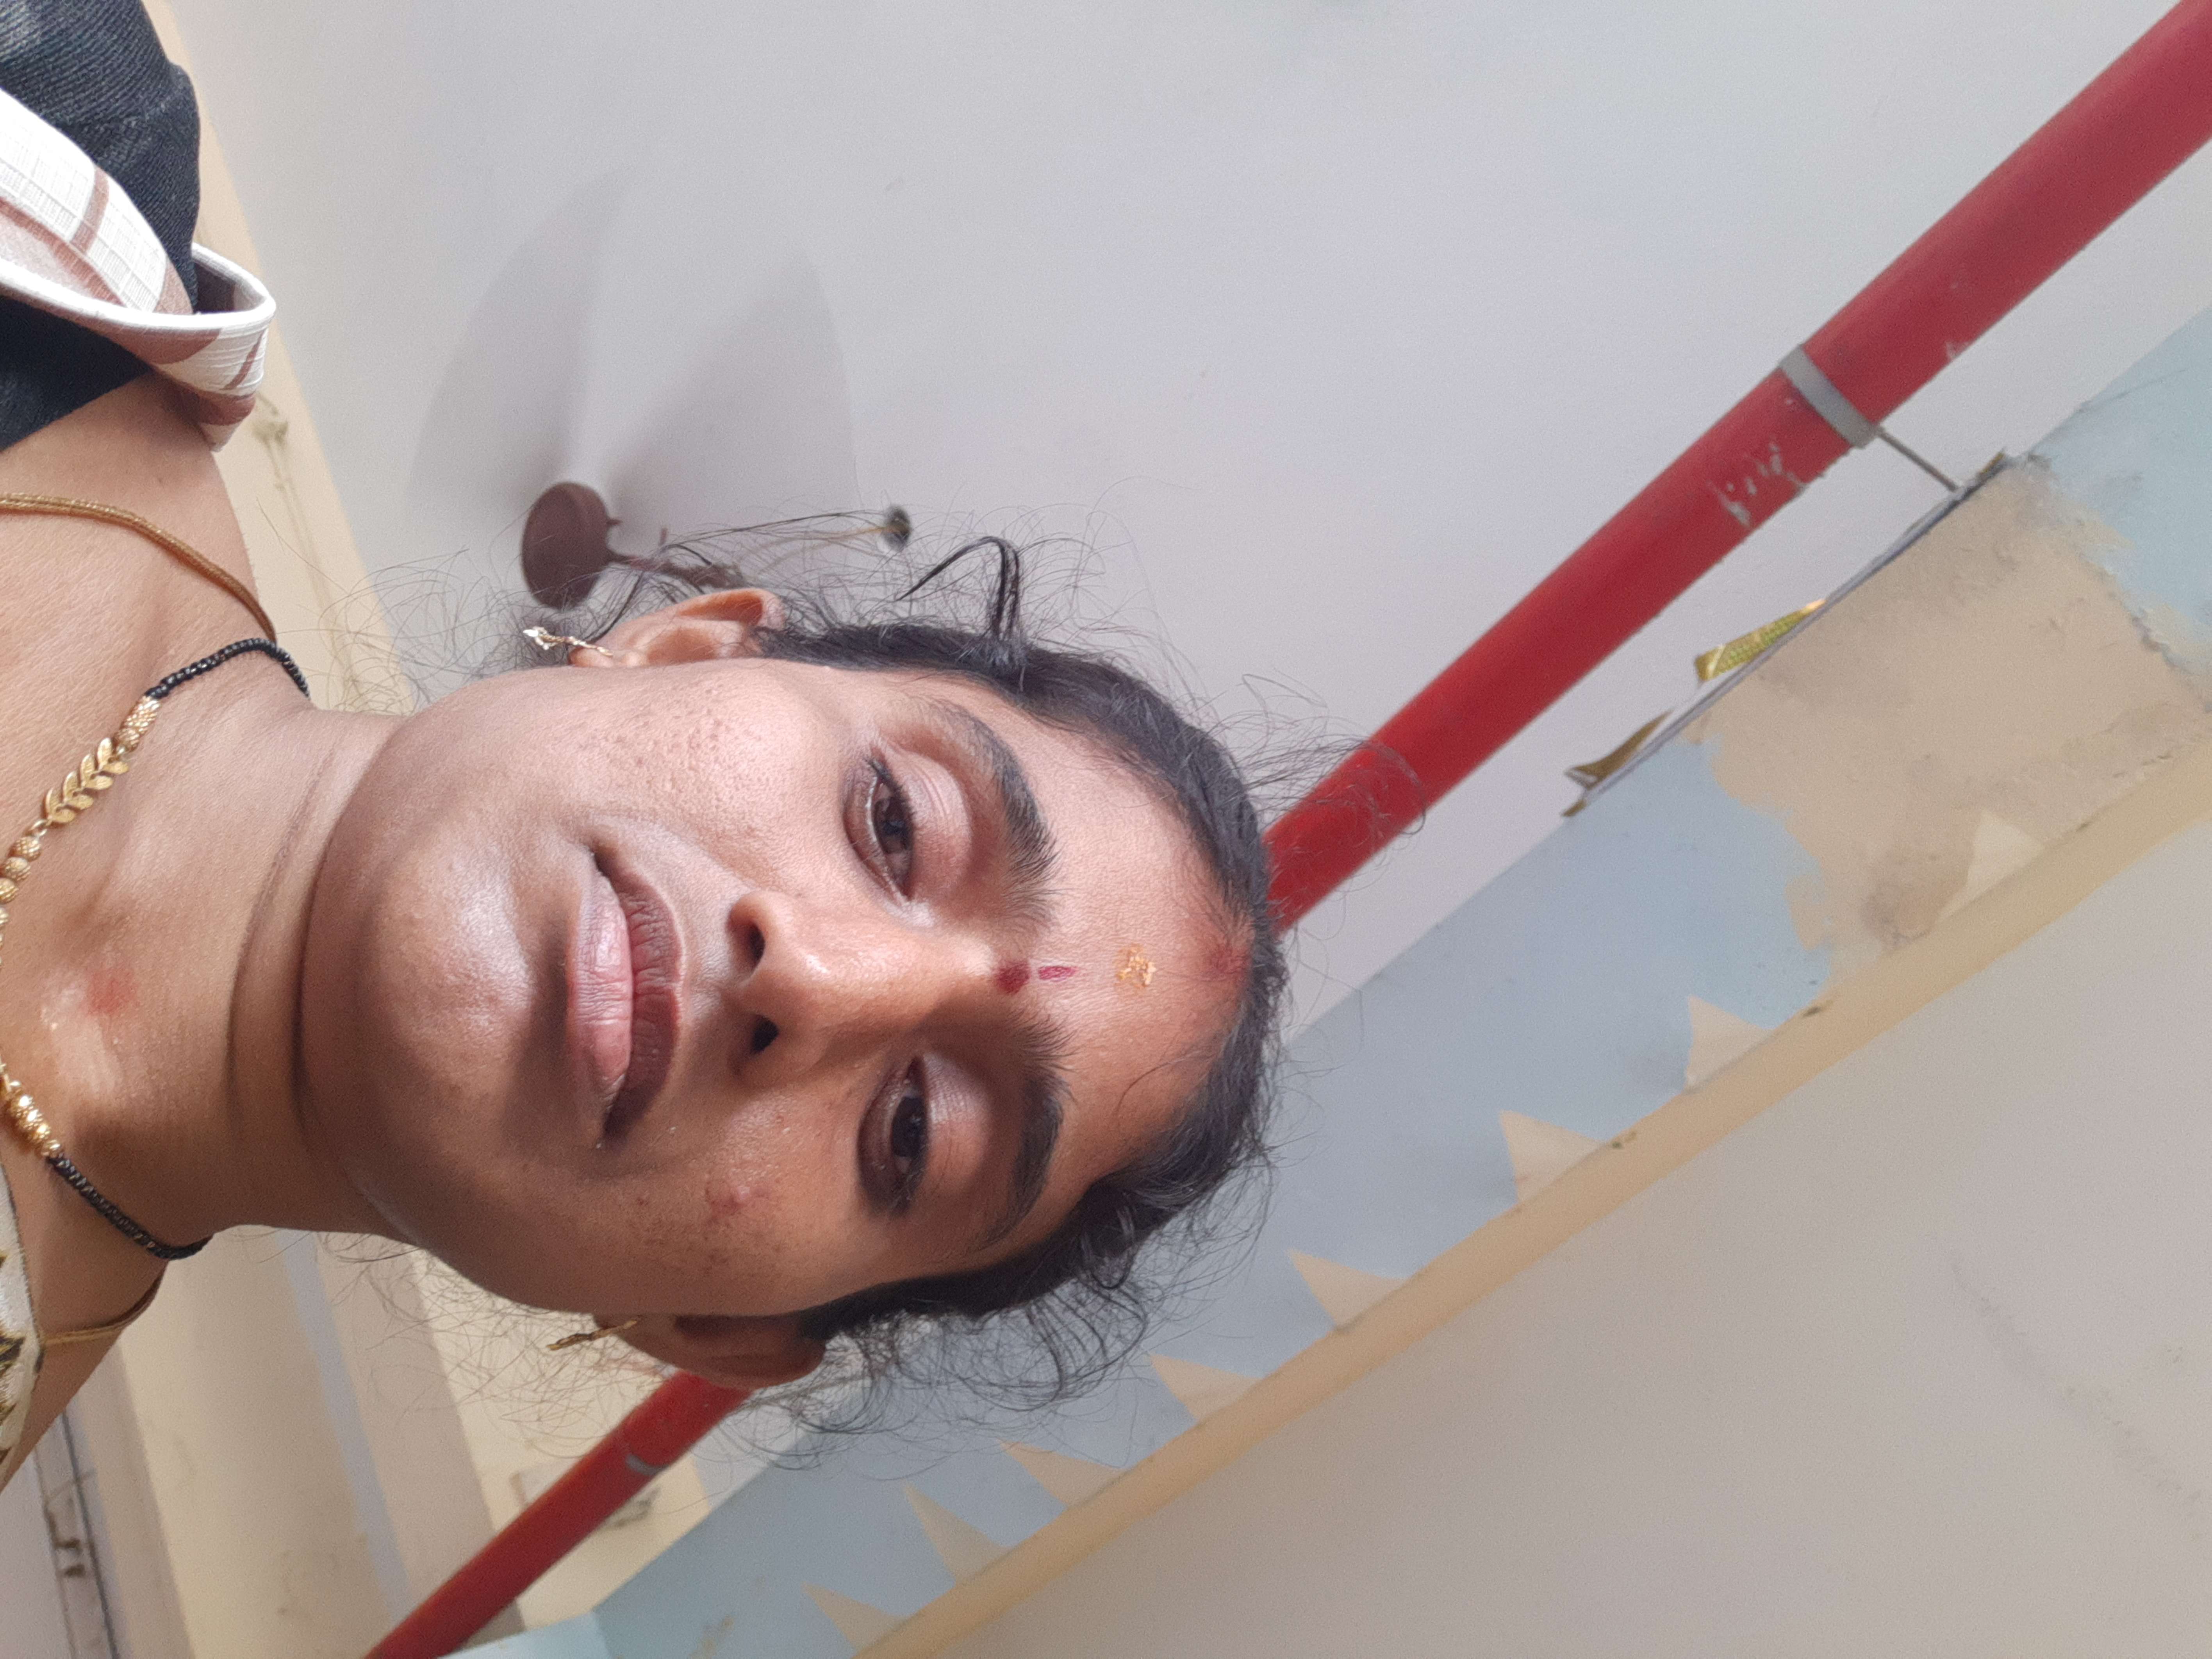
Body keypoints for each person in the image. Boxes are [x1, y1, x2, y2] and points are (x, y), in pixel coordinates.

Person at [0, 0, 1282, 1486]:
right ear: (685, 644)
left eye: (913, 1133)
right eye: (893, 823)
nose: (815, 982)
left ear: (715, 1332)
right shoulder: (54, 116)